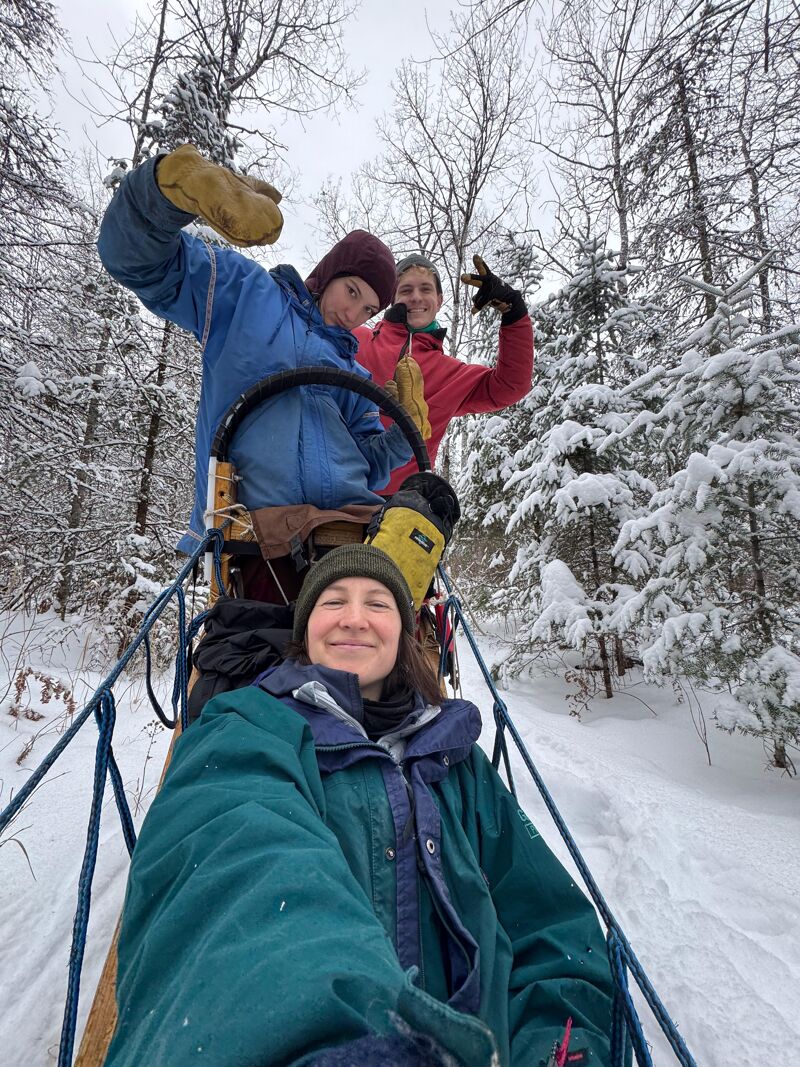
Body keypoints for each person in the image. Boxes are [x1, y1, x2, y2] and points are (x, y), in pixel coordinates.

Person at [106, 544, 616, 1067]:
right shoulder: (245, 728)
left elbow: (552, 933)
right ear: (304, 631)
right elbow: (235, 859)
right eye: (332, 602)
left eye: (378, 604)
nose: (354, 618)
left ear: (404, 634)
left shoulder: (458, 760)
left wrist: (560, 1052)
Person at [97, 144, 423, 555]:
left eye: (369, 310)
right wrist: (163, 193)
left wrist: (403, 435)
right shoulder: (246, 294)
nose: (353, 314)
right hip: (253, 532)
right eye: (352, 291)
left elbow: (370, 467)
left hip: (348, 533)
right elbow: (135, 262)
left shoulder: (355, 379)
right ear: (330, 273)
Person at [354, 252, 534, 495]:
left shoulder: (453, 375)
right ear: (392, 299)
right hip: (337, 498)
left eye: (425, 289)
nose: (416, 297)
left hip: (405, 506)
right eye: (406, 291)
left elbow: (511, 385)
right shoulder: (355, 340)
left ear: (439, 300)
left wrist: (514, 312)